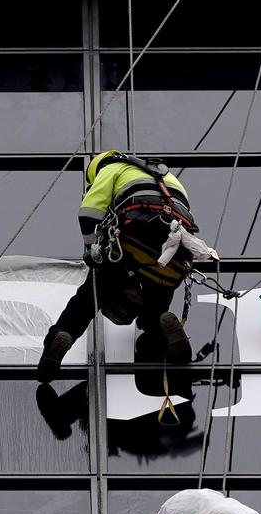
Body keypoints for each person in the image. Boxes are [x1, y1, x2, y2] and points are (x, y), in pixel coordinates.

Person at [37, 150, 196, 380]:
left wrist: (92, 250)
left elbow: (90, 211)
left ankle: (62, 335)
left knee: (87, 299)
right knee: (157, 301)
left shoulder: (111, 168)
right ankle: (163, 333)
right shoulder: (170, 178)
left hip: (132, 239)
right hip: (171, 249)